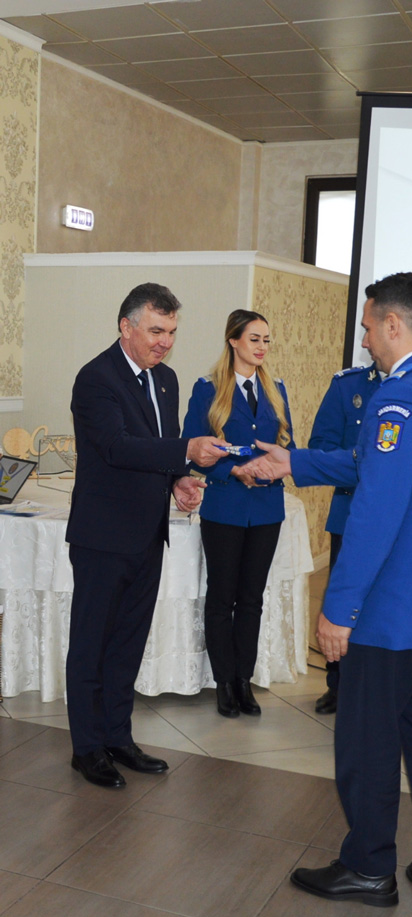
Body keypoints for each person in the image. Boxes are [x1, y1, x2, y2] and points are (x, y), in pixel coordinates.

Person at [249, 272, 412, 910]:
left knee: (366, 739)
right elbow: (377, 464)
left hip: (394, 610)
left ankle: (368, 868)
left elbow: (378, 510)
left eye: (367, 326)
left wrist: (338, 608)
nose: (364, 339)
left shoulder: (400, 399)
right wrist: (294, 461)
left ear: (392, 324)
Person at [66, 283, 225, 789]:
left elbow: (159, 447)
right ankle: (86, 748)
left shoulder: (166, 380)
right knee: (92, 646)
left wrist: (178, 480)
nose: (165, 342)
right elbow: (117, 447)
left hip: (147, 535)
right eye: (156, 331)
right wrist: (187, 451)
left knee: (127, 644)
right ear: (126, 326)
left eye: (171, 332)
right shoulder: (96, 378)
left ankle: (118, 737)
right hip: (101, 538)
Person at [182, 309, 295, 719]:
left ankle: (244, 680)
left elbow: (287, 444)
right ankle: (224, 683)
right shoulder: (208, 388)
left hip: (266, 508)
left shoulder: (276, 390)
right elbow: (191, 445)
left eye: (267, 340)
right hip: (225, 506)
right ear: (233, 340)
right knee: (221, 597)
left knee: (251, 598)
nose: (262, 347)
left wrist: (268, 469)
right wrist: (232, 470)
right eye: (254, 339)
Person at [307, 361, 381, 714]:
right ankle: (338, 686)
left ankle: (378, 687)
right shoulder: (347, 385)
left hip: (401, 520)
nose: (366, 341)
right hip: (350, 514)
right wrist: (361, 465)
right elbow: (320, 446)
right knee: (343, 602)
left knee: (384, 605)